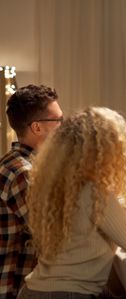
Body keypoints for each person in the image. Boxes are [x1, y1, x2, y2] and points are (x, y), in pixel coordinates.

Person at [18, 107, 126, 298]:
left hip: (34, 291)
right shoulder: (94, 190)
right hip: (69, 294)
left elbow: (104, 218)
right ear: (103, 150)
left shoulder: (58, 187)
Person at [0, 85, 63, 298]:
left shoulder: (20, 164)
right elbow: (55, 236)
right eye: (59, 121)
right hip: (18, 287)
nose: (63, 128)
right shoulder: (24, 173)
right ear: (37, 127)